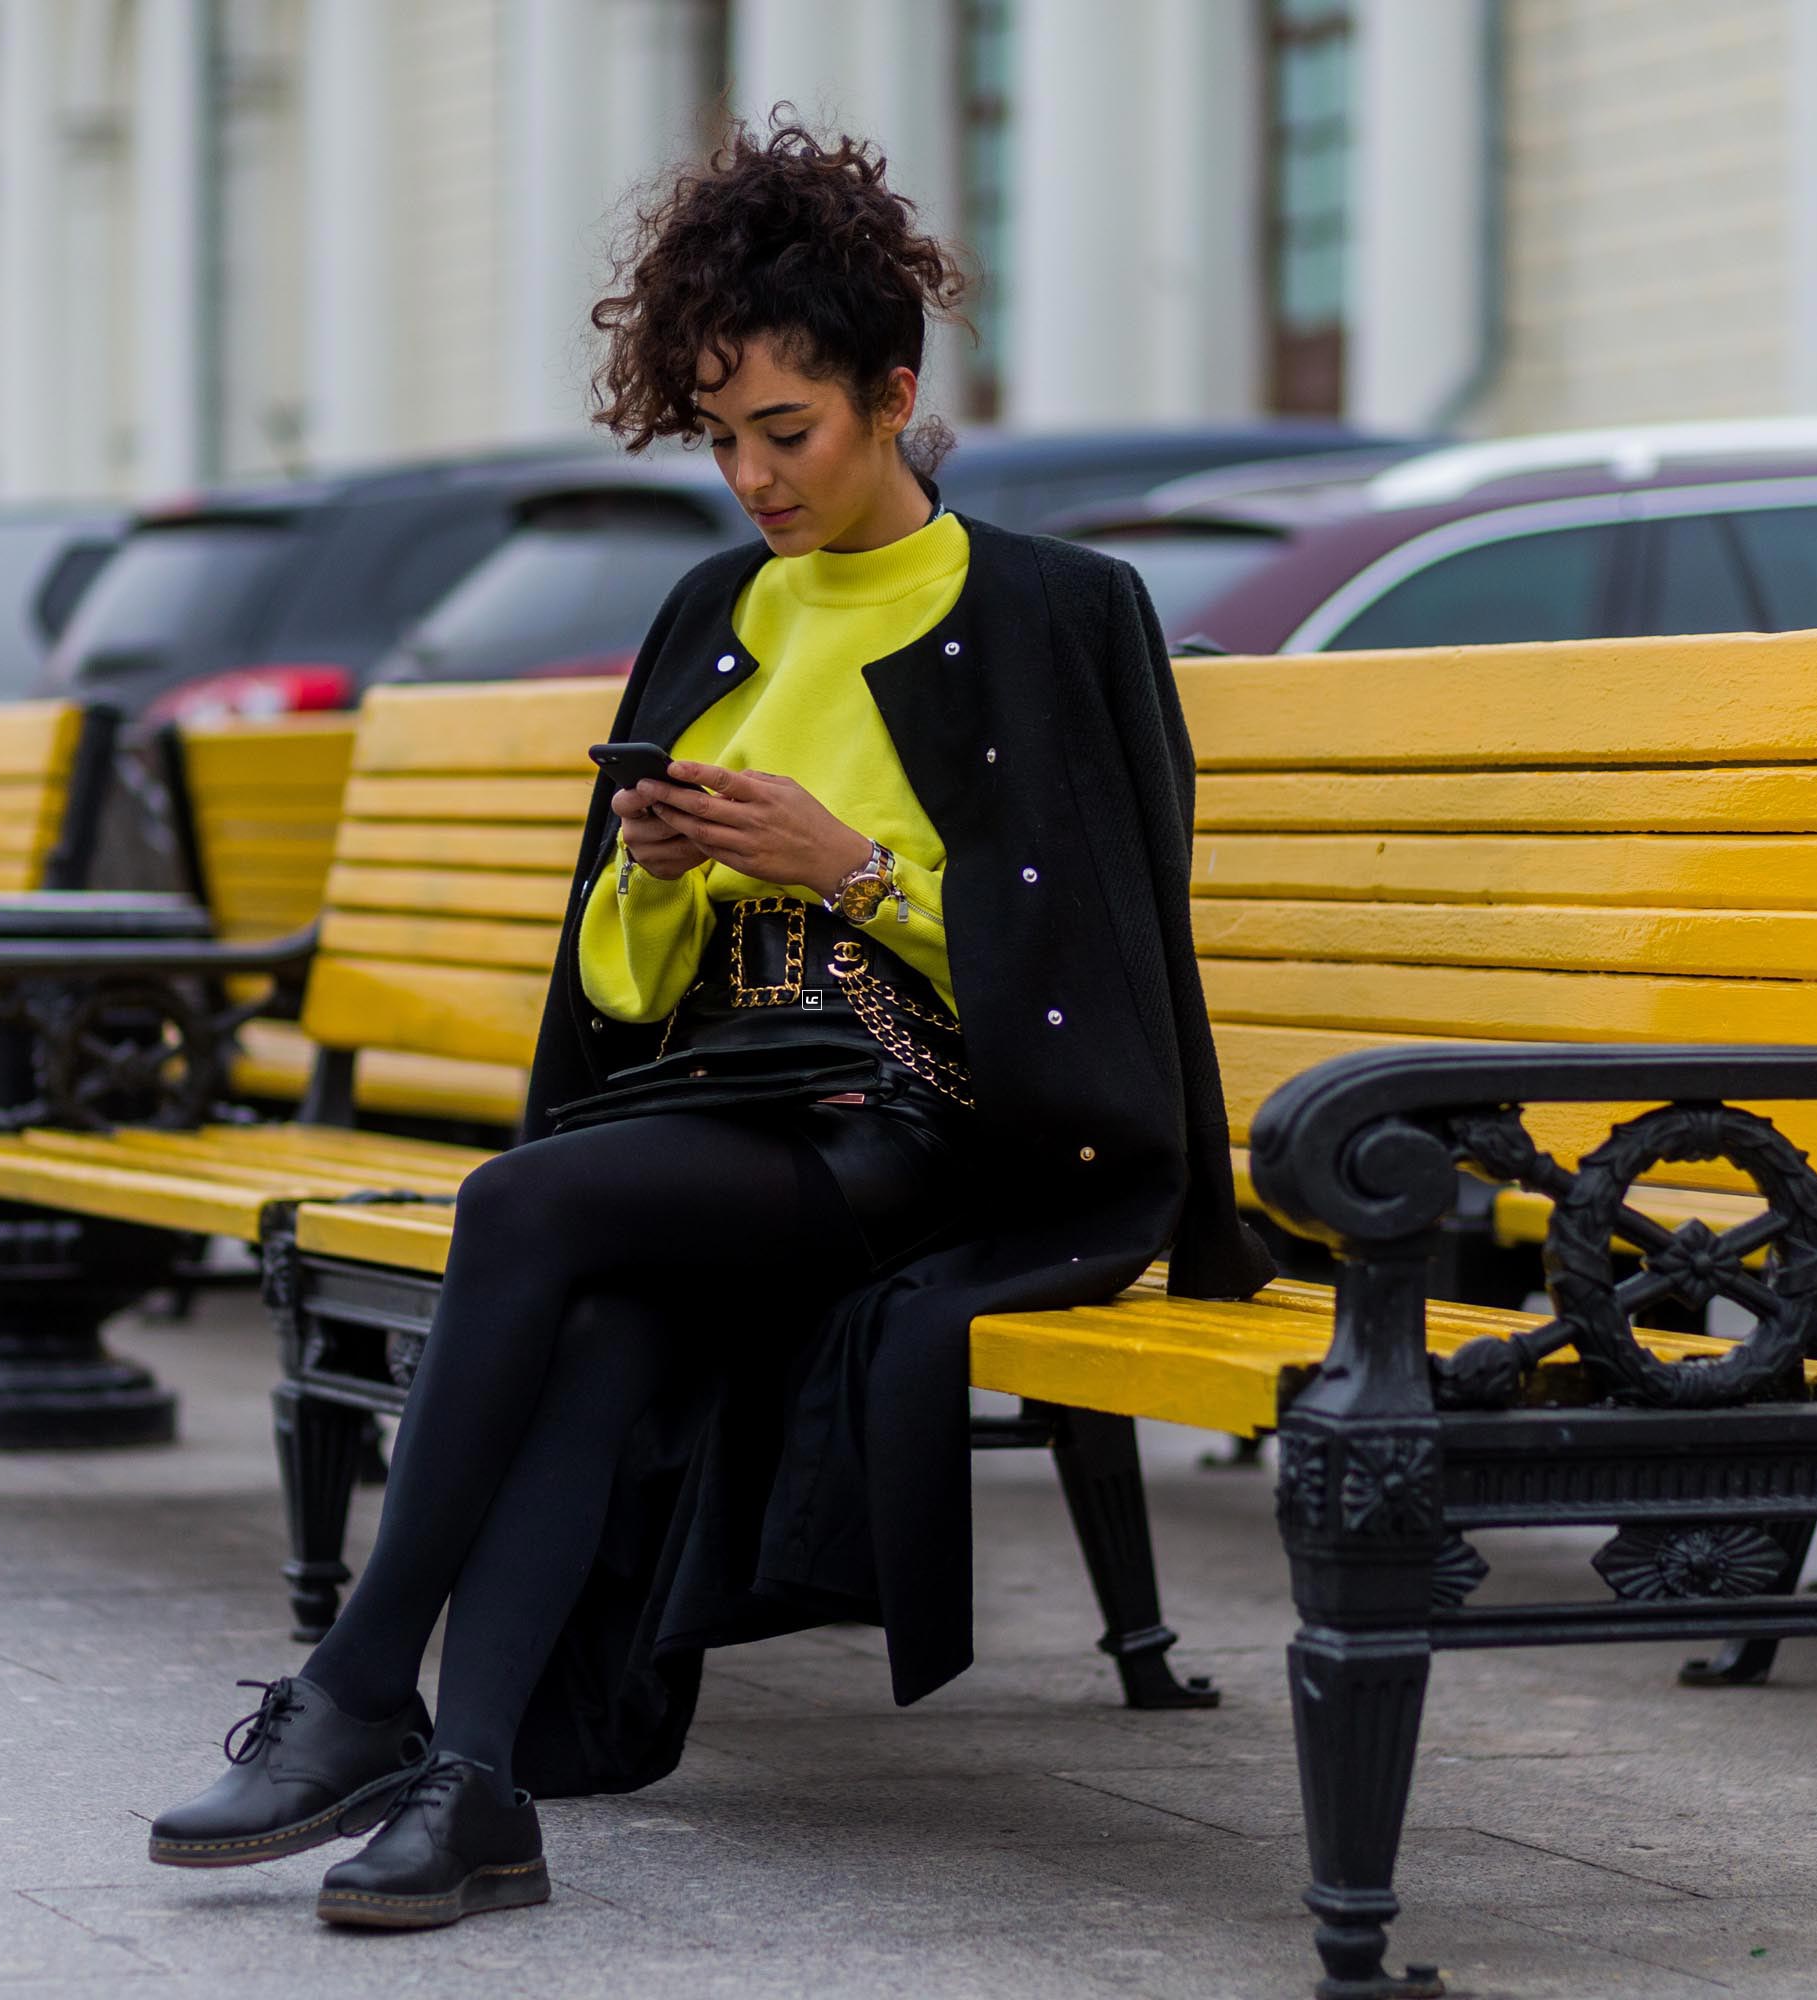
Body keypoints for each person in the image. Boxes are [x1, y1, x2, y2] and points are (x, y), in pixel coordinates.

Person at [144, 116, 1267, 1932]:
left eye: (788, 432)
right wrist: (661, 874)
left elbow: (1108, 989)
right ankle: (481, 1794)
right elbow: (614, 997)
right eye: (721, 438)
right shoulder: (711, 610)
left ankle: (355, 1689)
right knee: (599, 1310)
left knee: (524, 1213)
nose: (754, 478)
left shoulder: (1055, 612)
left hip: (947, 1134)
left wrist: (859, 878)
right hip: (731, 1116)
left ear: (893, 393)